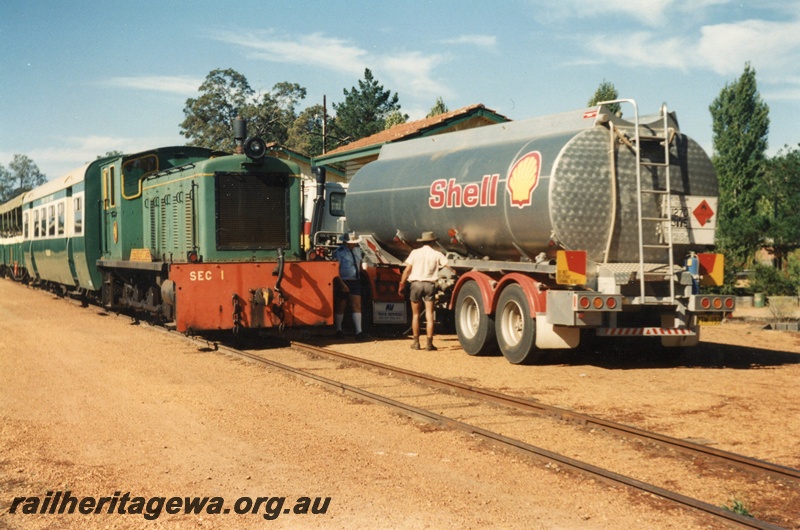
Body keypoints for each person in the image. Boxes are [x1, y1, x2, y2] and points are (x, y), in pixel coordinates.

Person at [397, 231, 449, 351]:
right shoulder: (437, 254)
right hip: (430, 285)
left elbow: (407, 270)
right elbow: (448, 265)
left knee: (416, 315)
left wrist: (401, 284)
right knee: (429, 315)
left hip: (416, 284)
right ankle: (429, 344)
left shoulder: (415, 253)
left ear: (423, 241)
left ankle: (416, 343)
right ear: (433, 242)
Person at [332, 232, 364, 339]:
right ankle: (338, 329)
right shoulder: (339, 252)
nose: (353, 244)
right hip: (344, 281)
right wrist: (341, 284)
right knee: (341, 306)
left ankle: (359, 331)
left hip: (356, 281)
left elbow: (359, 265)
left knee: (357, 305)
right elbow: (335, 269)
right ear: (345, 243)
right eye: (351, 243)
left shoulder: (358, 251)